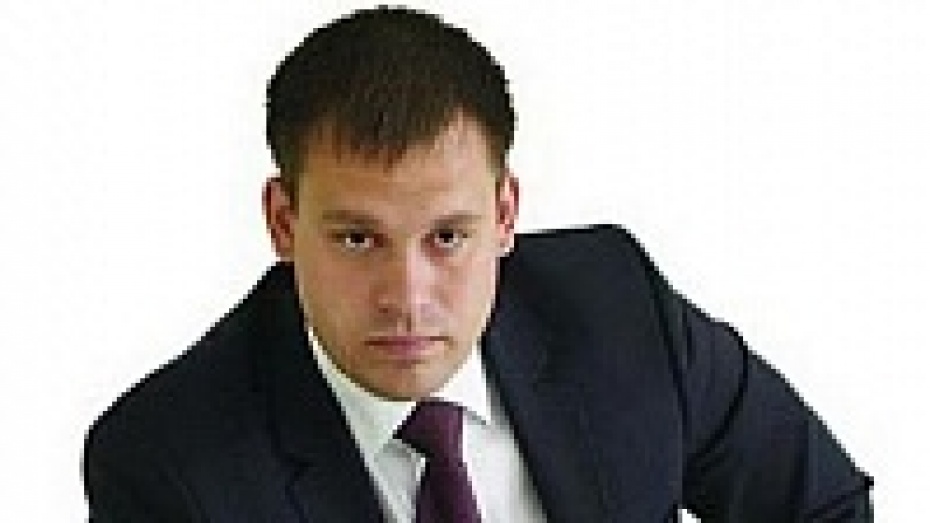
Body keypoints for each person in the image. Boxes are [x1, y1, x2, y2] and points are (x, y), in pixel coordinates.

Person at [82, 6, 873, 522]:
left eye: (447, 237)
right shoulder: (167, 462)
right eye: (357, 239)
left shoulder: (618, 305)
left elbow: (823, 507)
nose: (407, 297)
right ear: (283, 223)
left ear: (504, 215)